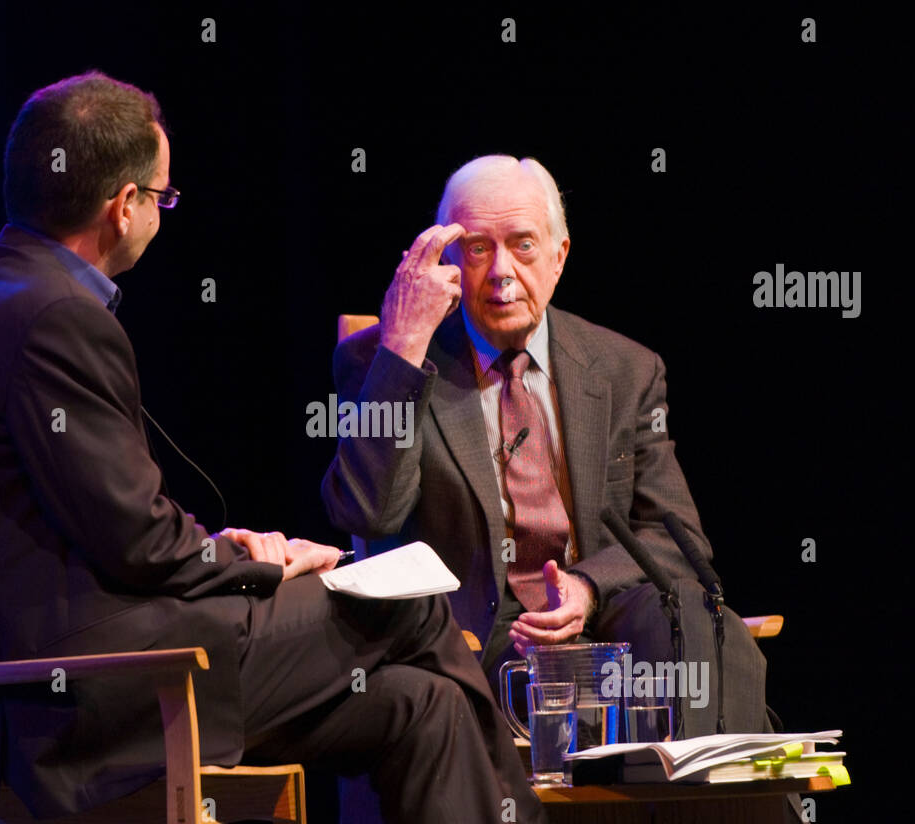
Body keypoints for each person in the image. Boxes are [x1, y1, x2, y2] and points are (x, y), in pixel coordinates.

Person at [0, 72, 555, 824]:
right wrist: (260, 567)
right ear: (124, 207)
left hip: (64, 680)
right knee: (411, 605)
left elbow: (100, 517)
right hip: (95, 696)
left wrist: (230, 547)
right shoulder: (56, 318)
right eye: (162, 196)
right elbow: (138, 543)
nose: (161, 212)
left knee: (426, 707)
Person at [322, 155, 769, 734]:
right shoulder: (387, 362)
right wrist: (404, 349)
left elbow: (677, 540)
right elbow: (366, 511)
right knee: (577, 705)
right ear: (448, 262)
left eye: (524, 245)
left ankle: (719, 804)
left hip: (603, 620)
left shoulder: (624, 369)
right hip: (474, 642)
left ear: (559, 257)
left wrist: (586, 587)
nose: (502, 272)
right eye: (478, 248)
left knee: (701, 624)